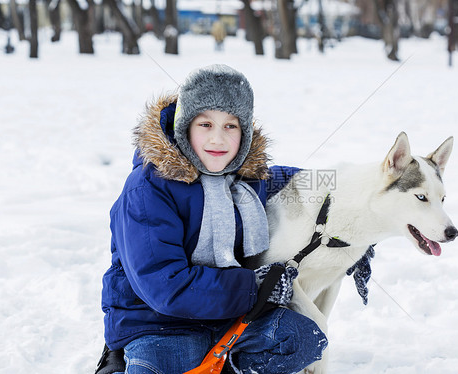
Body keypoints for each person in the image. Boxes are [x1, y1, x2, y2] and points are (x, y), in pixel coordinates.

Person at [95, 64, 327, 374]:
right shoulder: (147, 189)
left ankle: (228, 367)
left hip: (227, 319)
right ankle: (120, 361)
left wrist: (349, 205)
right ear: (184, 126)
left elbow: (292, 180)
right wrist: (255, 288)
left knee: (301, 338)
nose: (218, 139)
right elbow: (166, 288)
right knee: (172, 362)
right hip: (161, 324)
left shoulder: (247, 179)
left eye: (230, 126)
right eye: (205, 124)